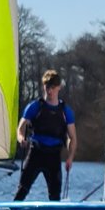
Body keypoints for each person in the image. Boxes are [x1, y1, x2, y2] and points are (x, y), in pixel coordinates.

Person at [14, 69, 77, 202]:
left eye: (53, 88)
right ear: (44, 86)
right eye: (47, 87)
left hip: (54, 156)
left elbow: (73, 138)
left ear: (58, 88)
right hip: (35, 153)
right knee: (22, 190)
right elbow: (20, 129)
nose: (49, 91)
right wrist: (21, 139)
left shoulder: (66, 111)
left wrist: (70, 158)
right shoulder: (34, 107)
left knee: (55, 196)